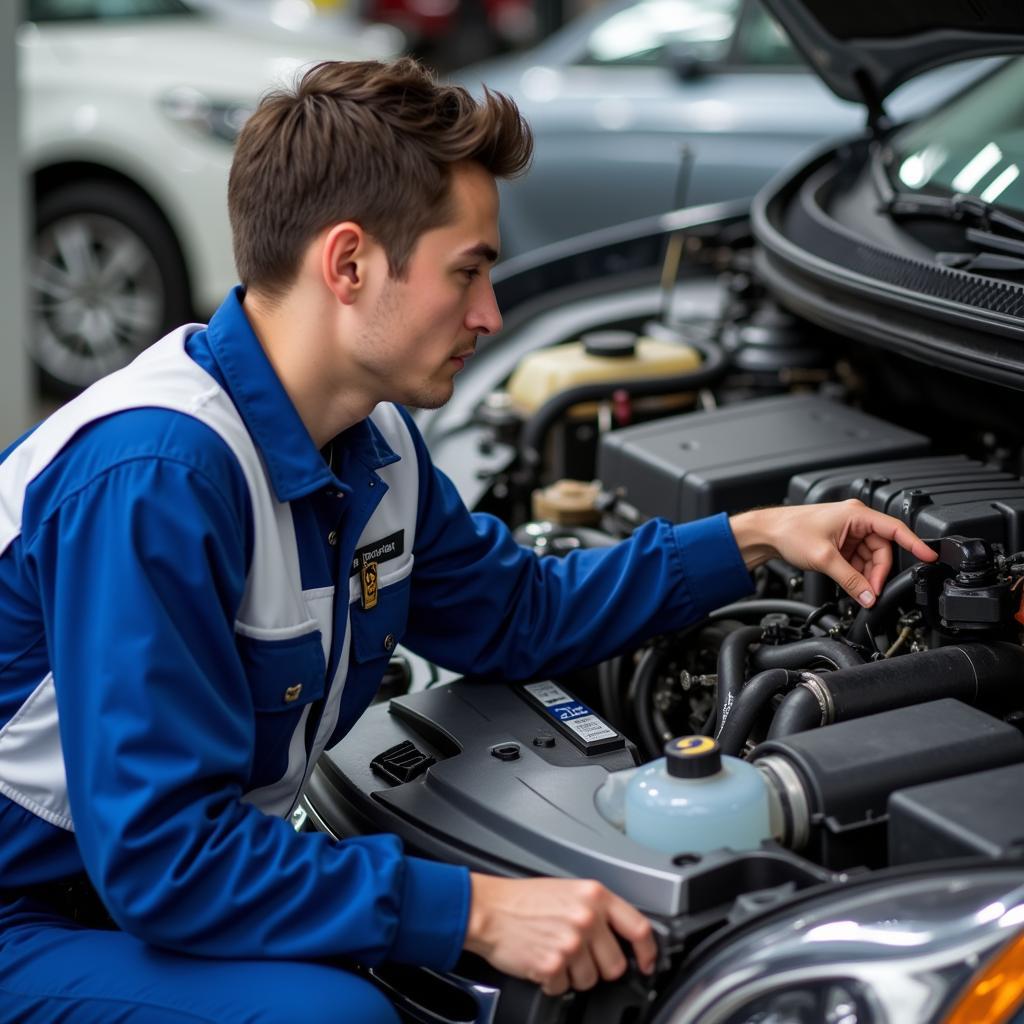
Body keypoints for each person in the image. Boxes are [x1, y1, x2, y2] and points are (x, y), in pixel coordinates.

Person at [0, 58, 937, 1022]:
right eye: (470, 271)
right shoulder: (160, 476)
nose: (491, 315)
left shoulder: (377, 449)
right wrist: (475, 911)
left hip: (109, 894)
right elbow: (162, 859)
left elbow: (515, 615)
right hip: (25, 914)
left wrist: (752, 537)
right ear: (350, 263)